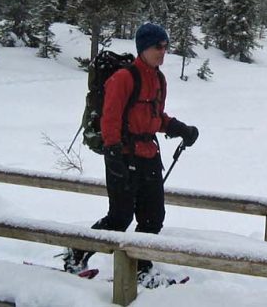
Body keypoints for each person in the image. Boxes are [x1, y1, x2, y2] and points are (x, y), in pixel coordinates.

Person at [63, 22, 199, 285]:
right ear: (143, 48)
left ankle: (140, 268)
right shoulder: (124, 78)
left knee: (153, 217)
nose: (163, 51)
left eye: (165, 46)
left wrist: (179, 128)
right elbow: (110, 119)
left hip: (149, 155)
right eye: (157, 46)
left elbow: (154, 117)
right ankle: (75, 254)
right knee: (119, 218)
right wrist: (113, 156)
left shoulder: (159, 79)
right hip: (123, 156)